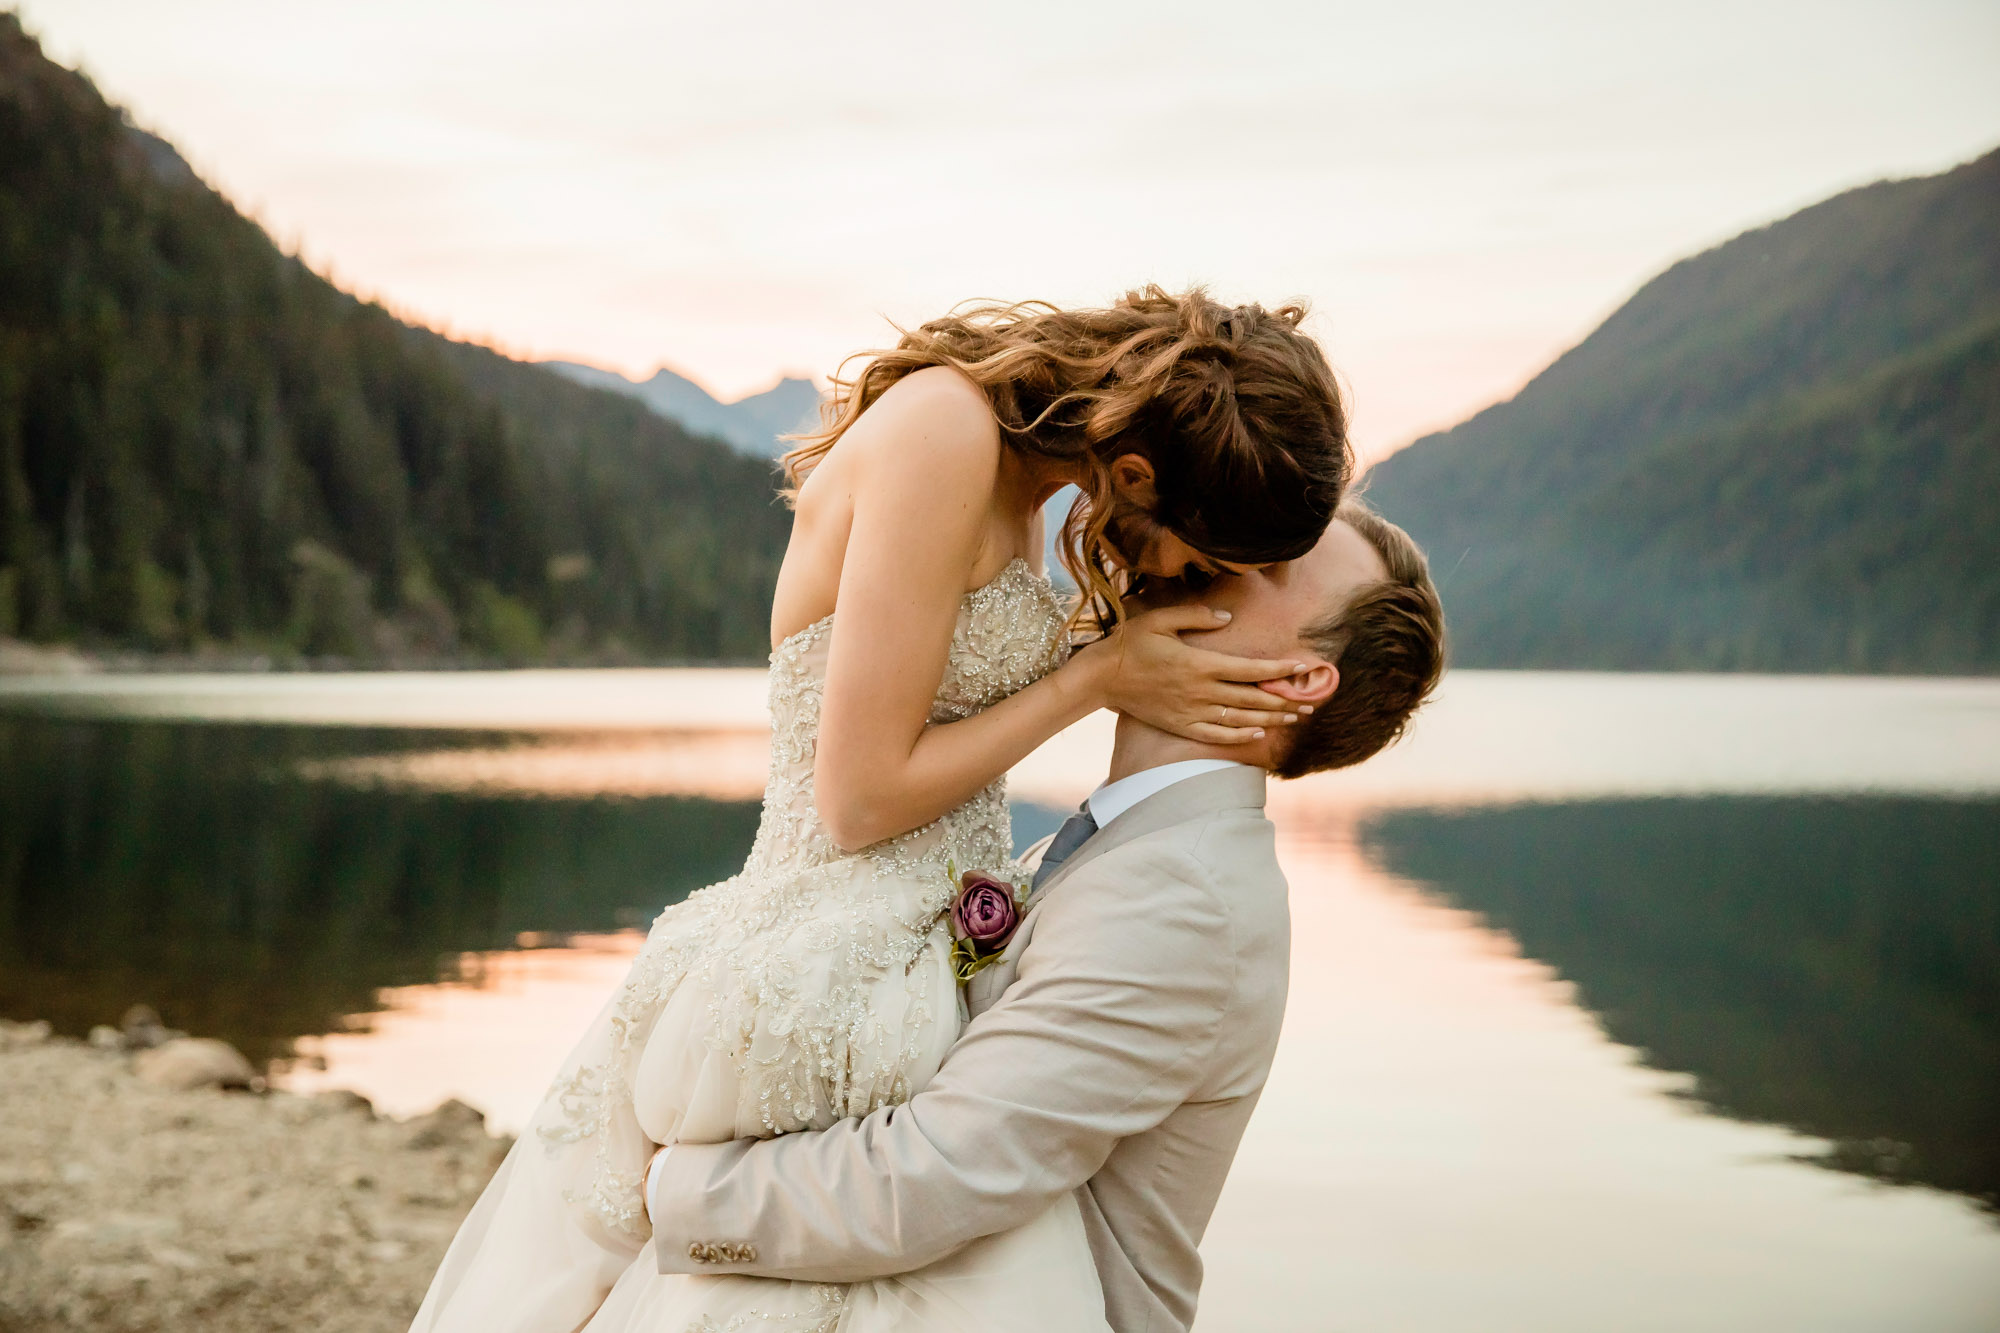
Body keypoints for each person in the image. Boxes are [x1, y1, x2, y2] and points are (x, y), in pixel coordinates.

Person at [410, 287, 1355, 1333]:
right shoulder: (946, 429)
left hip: (919, 956)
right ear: (1136, 473)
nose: (1178, 581)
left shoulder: (1026, 480)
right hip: (830, 943)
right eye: (1208, 558)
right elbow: (857, 800)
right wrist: (1091, 683)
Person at [638, 499, 1446, 1333]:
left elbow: (933, 1175)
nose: (1224, 545)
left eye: (1273, 561)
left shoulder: (1187, 900)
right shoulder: (1121, 845)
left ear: (1297, 679)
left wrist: (669, 1193)